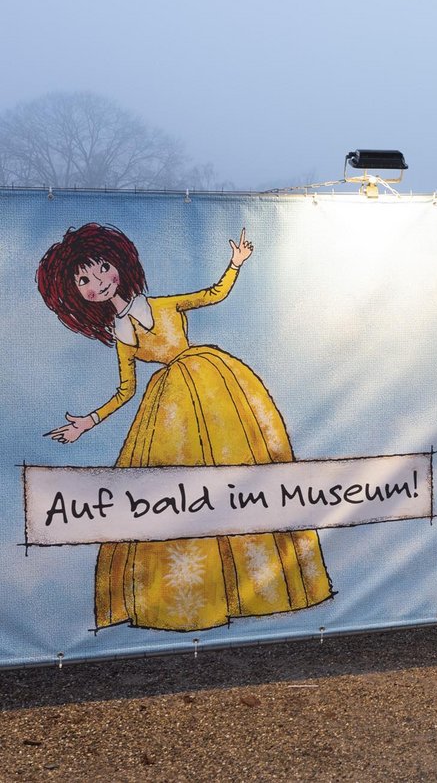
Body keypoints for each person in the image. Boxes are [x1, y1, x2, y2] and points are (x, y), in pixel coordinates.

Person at [38, 223, 333, 632]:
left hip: (214, 383)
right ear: (76, 295)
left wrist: (235, 264)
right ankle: (192, 596)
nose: (97, 283)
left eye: (101, 268)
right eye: (84, 280)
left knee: (241, 466)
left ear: (119, 264)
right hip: (168, 409)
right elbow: (126, 390)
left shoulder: (163, 305)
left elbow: (212, 295)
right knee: (179, 487)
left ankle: (262, 583)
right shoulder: (122, 333)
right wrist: (88, 421)